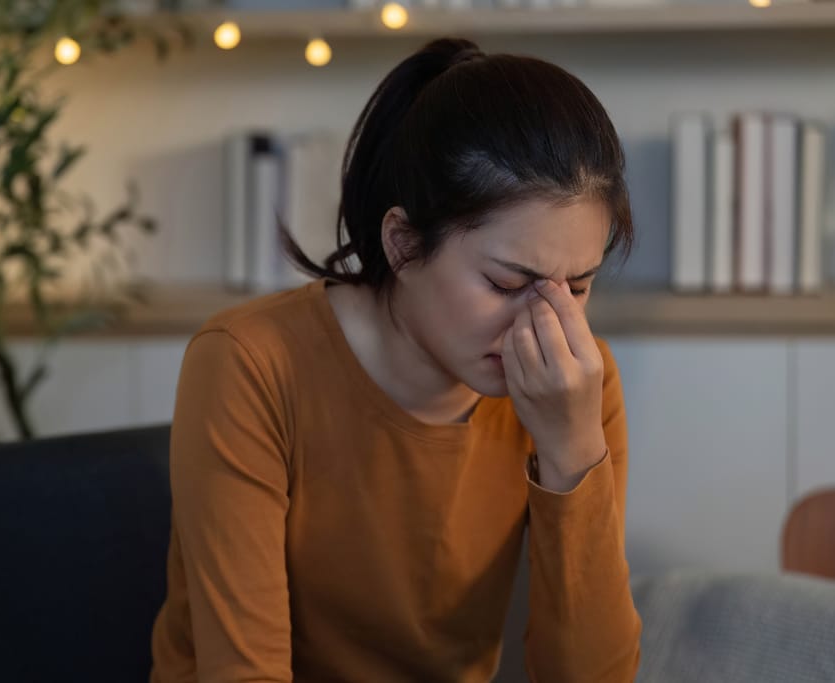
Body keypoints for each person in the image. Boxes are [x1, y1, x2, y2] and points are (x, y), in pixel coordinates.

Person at [150, 36, 642, 682]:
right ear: (405, 245)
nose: (548, 324)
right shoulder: (251, 363)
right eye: (505, 282)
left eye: (578, 286)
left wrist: (573, 448)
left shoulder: (574, 387)